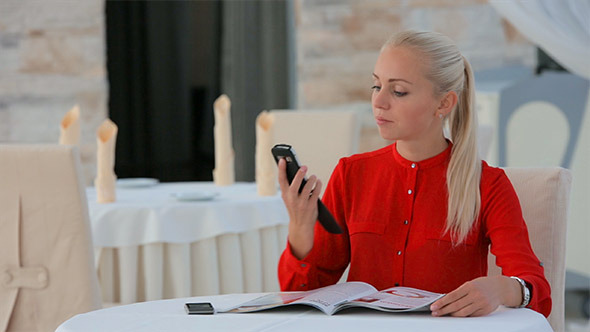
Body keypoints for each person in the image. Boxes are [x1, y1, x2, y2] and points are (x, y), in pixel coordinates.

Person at [276, 30, 551, 318]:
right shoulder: (351, 174)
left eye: (398, 91)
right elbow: (301, 297)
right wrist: (299, 228)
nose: (379, 101)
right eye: (376, 86)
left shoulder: (488, 184)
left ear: (444, 103)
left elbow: (537, 290)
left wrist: (501, 288)